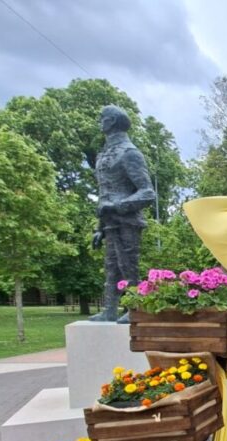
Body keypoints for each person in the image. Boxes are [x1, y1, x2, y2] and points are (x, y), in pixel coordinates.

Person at [90, 104, 156, 323]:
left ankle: (134, 308)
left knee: (128, 266)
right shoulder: (106, 153)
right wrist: (100, 228)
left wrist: (116, 206)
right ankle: (110, 309)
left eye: (103, 117)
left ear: (112, 122)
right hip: (109, 223)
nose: (100, 121)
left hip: (127, 221)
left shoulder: (129, 153)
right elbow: (105, 193)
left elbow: (148, 193)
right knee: (111, 268)